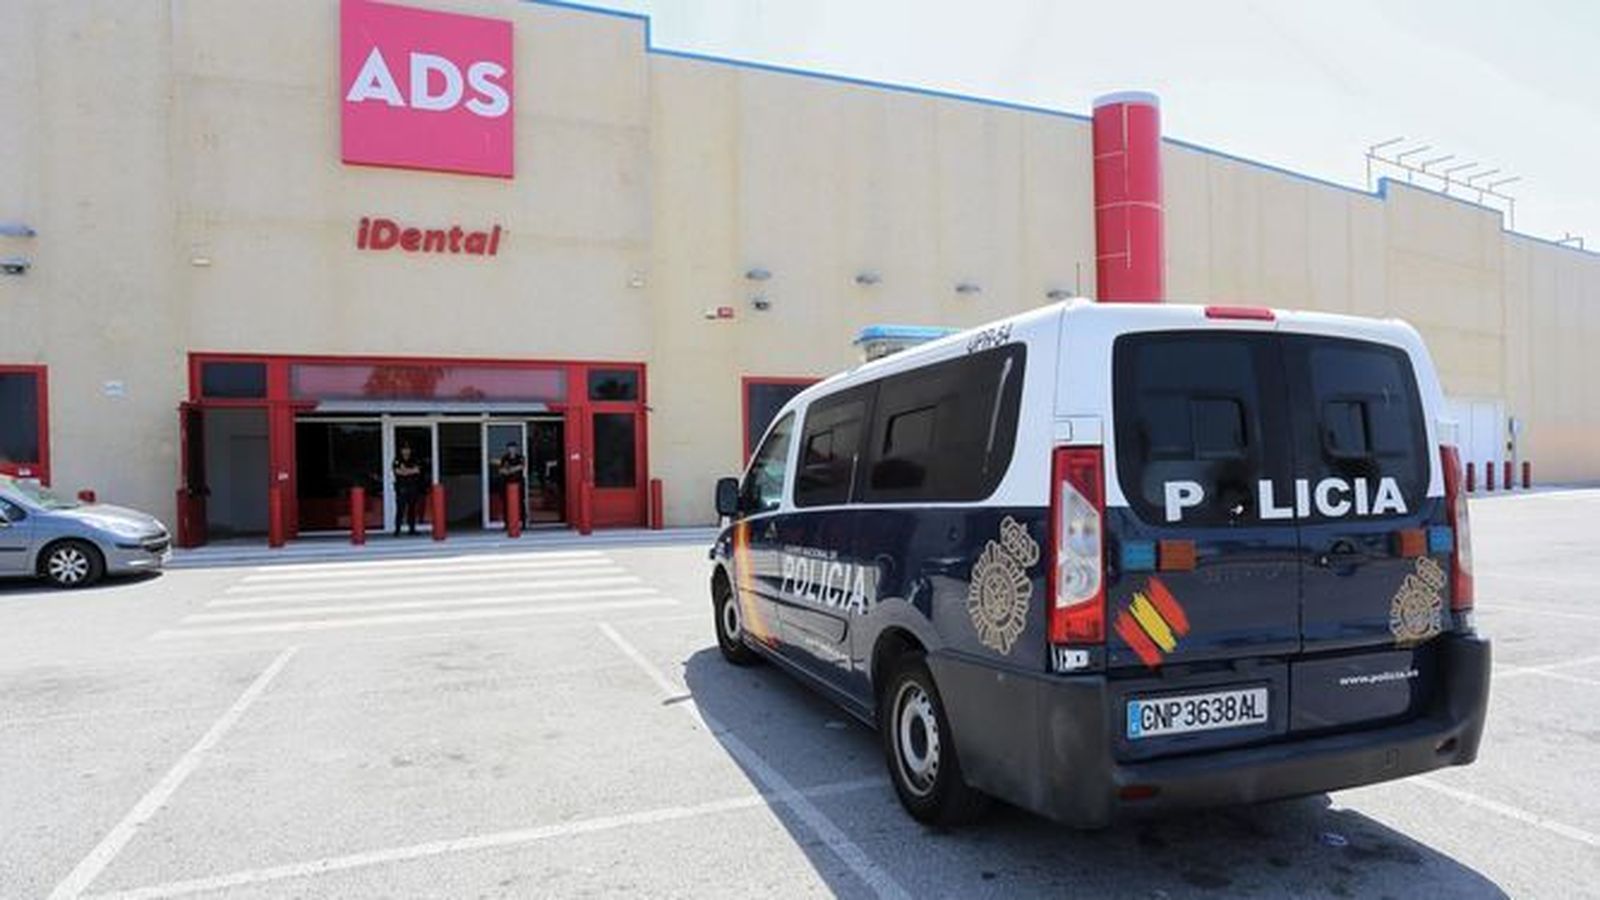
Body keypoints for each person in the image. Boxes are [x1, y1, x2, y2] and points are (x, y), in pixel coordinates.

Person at [392, 443, 425, 536]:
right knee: (400, 509)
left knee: (412, 509)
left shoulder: (414, 459)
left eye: (408, 449)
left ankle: (412, 529)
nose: (406, 451)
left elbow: (417, 470)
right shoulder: (397, 460)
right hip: (401, 488)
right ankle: (397, 530)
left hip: (413, 487)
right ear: (401, 451)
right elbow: (398, 472)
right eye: (404, 449)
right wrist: (410, 470)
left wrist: (405, 470)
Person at [497, 440, 527, 526]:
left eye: (513, 448)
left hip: (518, 483)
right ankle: (507, 523)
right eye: (510, 448)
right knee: (507, 504)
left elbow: (521, 466)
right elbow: (501, 470)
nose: (511, 449)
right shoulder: (505, 458)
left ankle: (522, 522)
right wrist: (509, 471)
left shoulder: (520, 457)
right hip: (507, 484)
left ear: (516, 449)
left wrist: (510, 470)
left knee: (520, 503)